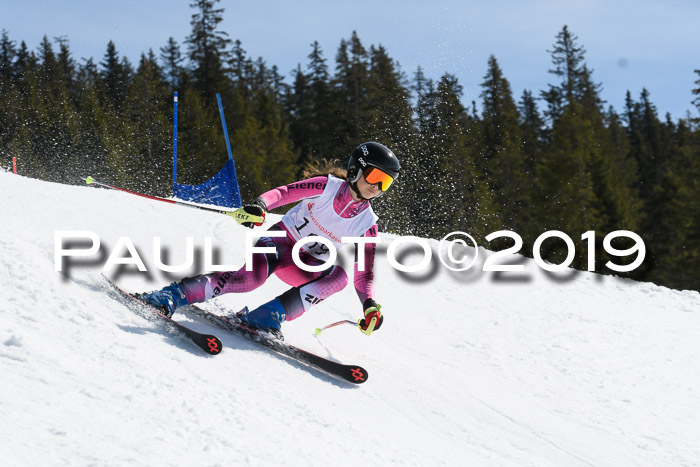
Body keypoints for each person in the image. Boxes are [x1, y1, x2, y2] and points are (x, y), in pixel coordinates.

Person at [139, 141, 400, 339]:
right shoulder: (327, 186)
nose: (377, 187)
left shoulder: (367, 224)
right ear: (356, 169)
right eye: (375, 177)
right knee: (248, 279)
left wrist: (369, 305)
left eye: (385, 182)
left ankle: (268, 315)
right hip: (280, 242)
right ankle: (173, 294)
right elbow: (284, 193)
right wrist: (261, 205)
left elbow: (363, 273)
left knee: (340, 277)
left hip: (306, 266)